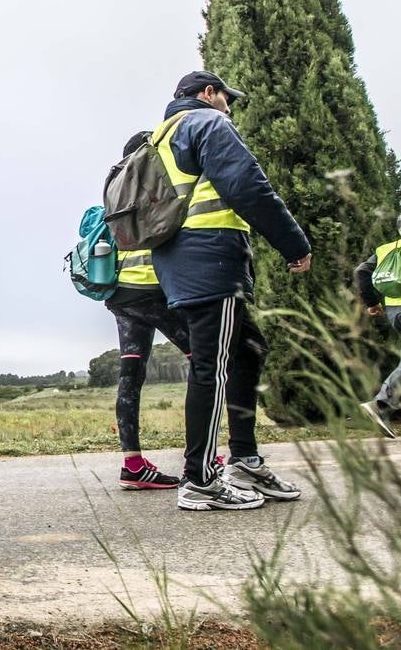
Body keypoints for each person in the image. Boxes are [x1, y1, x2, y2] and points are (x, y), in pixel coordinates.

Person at [150, 72, 312, 512]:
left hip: (181, 260)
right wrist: (294, 243)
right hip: (209, 258)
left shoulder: (160, 136)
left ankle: (243, 460)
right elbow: (247, 186)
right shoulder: (207, 124)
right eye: (227, 97)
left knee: (248, 350)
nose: (230, 106)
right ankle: (200, 478)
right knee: (212, 365)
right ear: (208, 94)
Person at [106, 132, 192, 490]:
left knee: (131, 375)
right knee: (205, 360)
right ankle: (203, 459)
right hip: (153, 292)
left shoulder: (114, 190)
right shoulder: (153, 186)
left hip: (120, 296)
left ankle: (133, 464)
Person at [353, 210, 401, 438]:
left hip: (397, 311)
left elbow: (361, 271)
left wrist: (372, 303)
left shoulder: (386, 249)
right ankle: (379, 406)